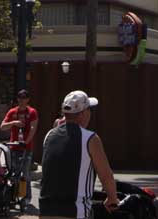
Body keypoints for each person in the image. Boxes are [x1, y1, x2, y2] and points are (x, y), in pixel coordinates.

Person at [39, 90, 119, 218]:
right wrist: (112, 199)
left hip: (46, 211)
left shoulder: (49, 136)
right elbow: (106, 175)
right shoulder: (90, 139)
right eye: (89, 110)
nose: (90, 114)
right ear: (83, 114)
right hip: (75, 212)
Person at [0, 89, 38, 205]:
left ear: (28, 99)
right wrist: (14, 123)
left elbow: (33, 128)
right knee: (14, 173)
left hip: (26, 148)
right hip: (14, 147)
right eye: (20, 98)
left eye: (24, 98)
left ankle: (26, 197)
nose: (22, 100)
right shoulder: (12, 112)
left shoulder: (32, 112)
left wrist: (26, 142)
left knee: (25, 173)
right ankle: (15, 195)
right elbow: (2, 126)